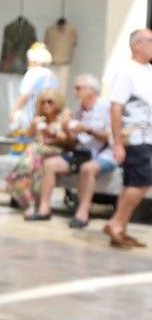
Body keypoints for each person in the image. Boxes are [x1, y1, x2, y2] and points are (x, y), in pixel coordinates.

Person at [33, 74, 118, 228]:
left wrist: (88, 129)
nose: (75, 91)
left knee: (88, 169)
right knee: (50, 164)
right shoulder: (79, 112)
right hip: (82, 153)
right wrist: (68, 130)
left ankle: (82, 213)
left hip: (105, 154)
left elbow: (112, 136)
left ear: (91, 90)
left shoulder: (106, 107)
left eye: (78, 88)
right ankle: (44, 208)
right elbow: (73, 144)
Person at [103, 27, 152, 248]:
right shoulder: (126, 71)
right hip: (135, 138)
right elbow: (116, 108)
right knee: (142, 183)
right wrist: (117, 143)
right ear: (137, 44)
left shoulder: (148, 71)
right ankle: (117, 223)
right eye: (150, 41)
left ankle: (120, 227)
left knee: (132, 183)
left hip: (148, 137)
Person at [2, 88, 72, 218]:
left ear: (57, 102)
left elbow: (67, 139)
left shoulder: (63, 116)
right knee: (36, 164)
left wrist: (51, 131)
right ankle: (33, 203)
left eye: (50, 102)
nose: (46, 105)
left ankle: (12, 182)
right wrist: (34, 125)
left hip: (57, 150)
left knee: (32, 150)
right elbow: (27, 135)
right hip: (39, 153)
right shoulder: (40, 117)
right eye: (43, 102)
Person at [10, 42, 58, 143]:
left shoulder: (32, 73)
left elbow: (25, 95)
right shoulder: (51, 74)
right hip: (47, 113)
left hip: (31, 112)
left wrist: (14, 110)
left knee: (27, 136)